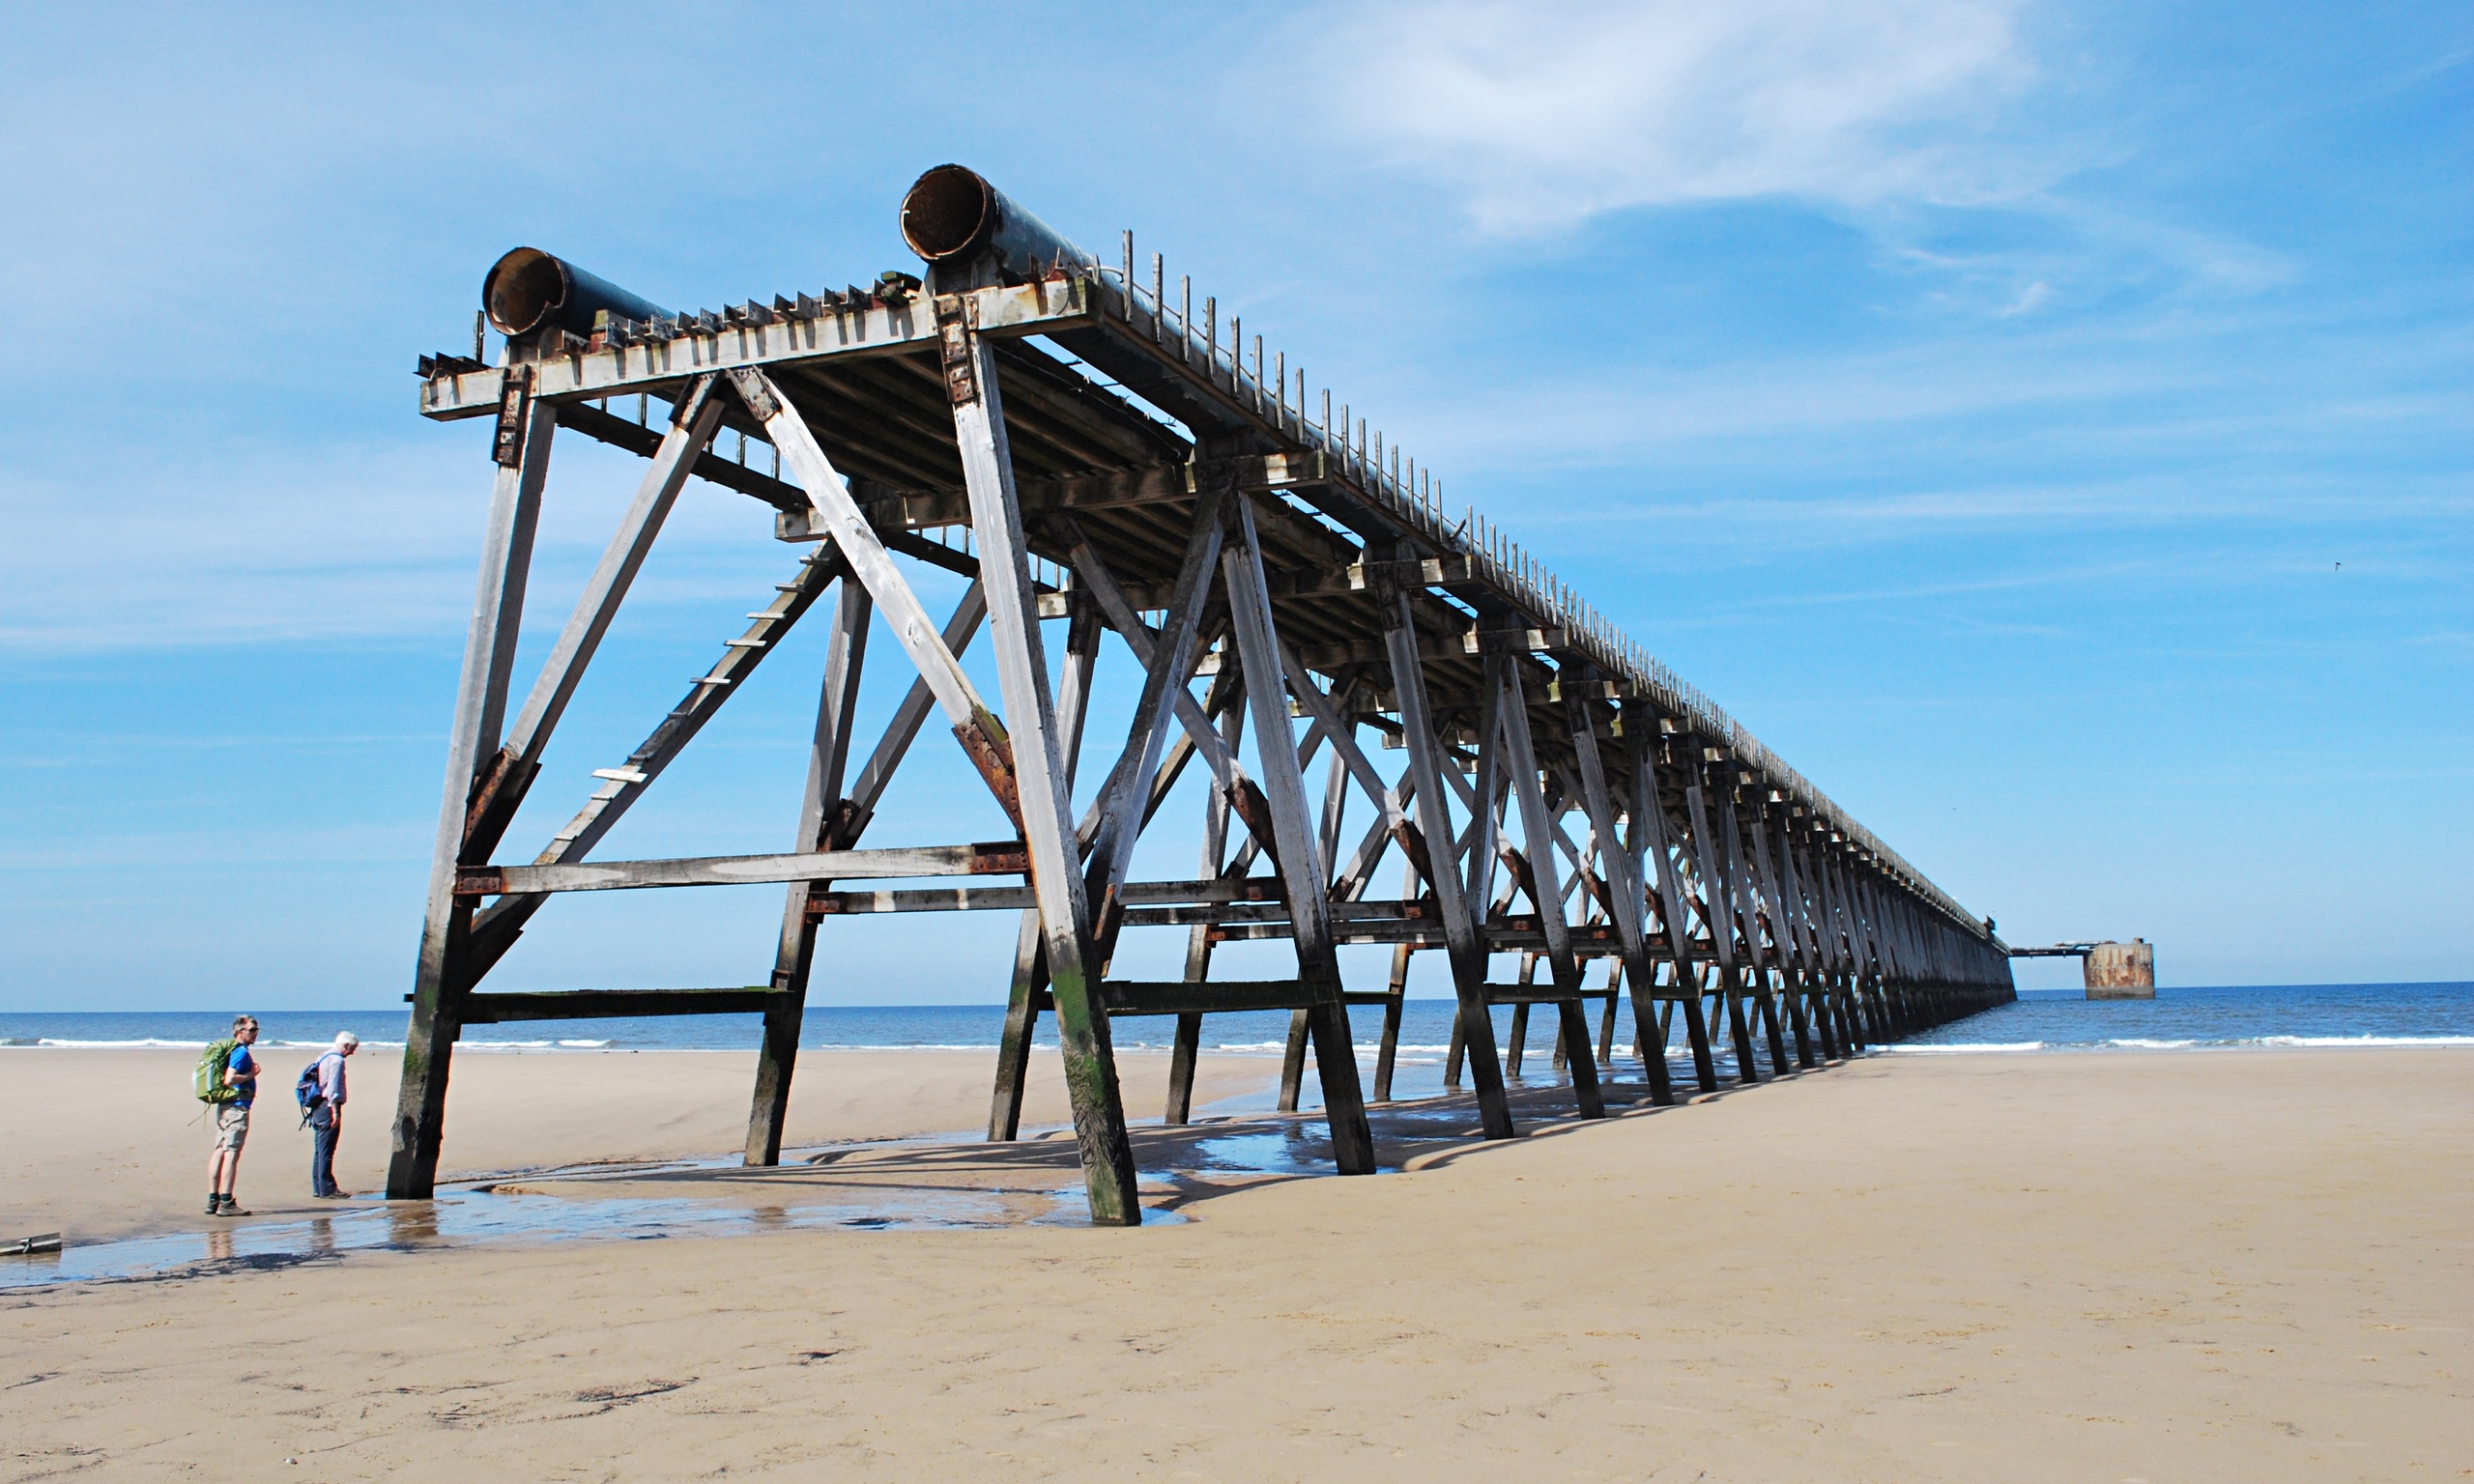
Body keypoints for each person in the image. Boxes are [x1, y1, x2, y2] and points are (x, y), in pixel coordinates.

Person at [206, 1015, 259, 1217]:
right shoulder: (240, 1052)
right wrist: (251, 1075)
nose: (256, 1034)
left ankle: (213, 1199)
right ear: (239, 1032)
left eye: (256, 1029)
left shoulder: (231, 1050)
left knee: (220, 1149)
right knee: (231, 1152)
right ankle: (226, 1201)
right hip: (236, 1108)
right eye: (252, 1030)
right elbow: (229, 1079)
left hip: (224, 1107)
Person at [307, 1032, 359, 1199]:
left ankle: (319, 1187)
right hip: (327, 1107)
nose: (352, 1053)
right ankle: (327, 1188)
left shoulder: (323, 1056)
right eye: (352, 1048)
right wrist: (335, 1112)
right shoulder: (337, 1060)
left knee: (320, 1149)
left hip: (317, 1106)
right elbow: (333, 1089)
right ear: (345, 1045)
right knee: (327, 1149)